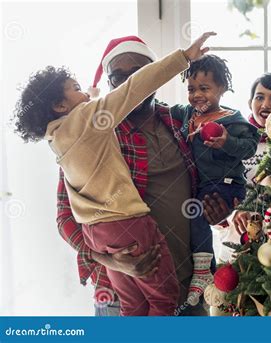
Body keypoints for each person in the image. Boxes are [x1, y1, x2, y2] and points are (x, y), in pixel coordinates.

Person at [13, 33, 215, 316]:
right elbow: (64, 219)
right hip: (118, 290)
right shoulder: (94, 130)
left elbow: (211, 180)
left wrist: (220, 204)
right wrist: (111, 261)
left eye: (138, 73)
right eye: (117, 77)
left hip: (188, 284)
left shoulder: (179, 120)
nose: (128, 82)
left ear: (152, 74)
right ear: (110, 83)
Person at [169, 55, 261, 305]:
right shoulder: (187, 113)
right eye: (191, 89)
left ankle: (203, 271)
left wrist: (226, 142)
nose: (197, 94)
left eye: (204, 88)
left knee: (196, 213)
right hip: (202, 186)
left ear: (222, 89)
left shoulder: (231, 119)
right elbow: (160, 109)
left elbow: (250, 147)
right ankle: (203, 269)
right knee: (192, 218)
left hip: (228, 185)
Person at [205, 72, 271, 262]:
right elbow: (217, 187)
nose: (266, 105)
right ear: (250, 103)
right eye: (260, 97)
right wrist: (231, 214)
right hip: (235, 240)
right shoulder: (232, 141)